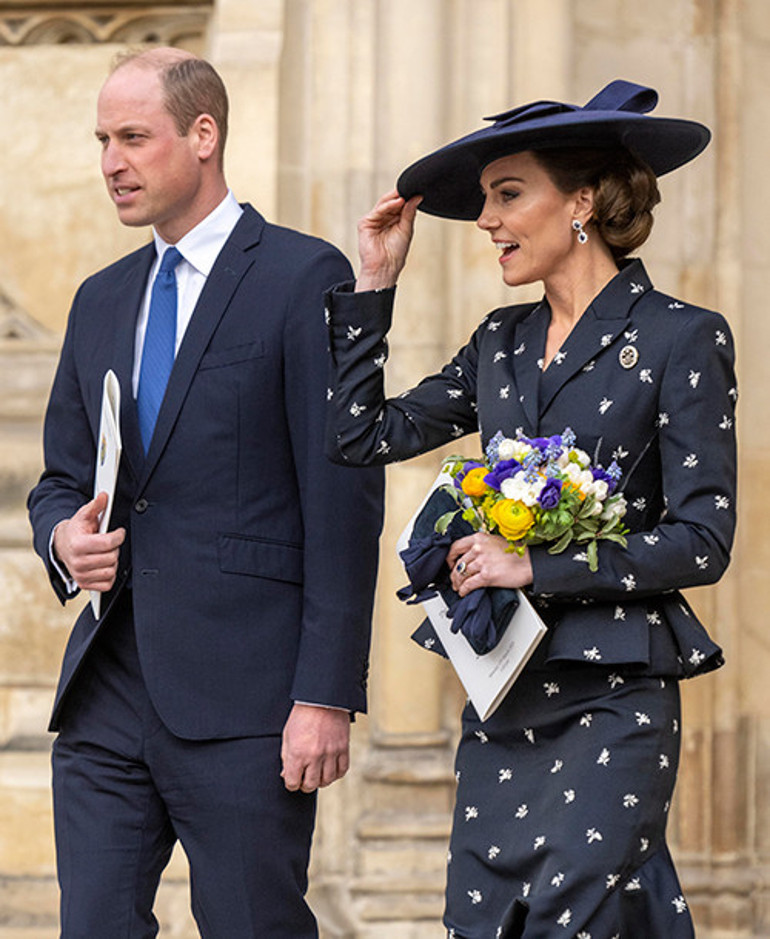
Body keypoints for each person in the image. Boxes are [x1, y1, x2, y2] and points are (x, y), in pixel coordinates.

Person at [324, 80, 736, 937]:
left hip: (616, 694)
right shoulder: (498, 342)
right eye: (484, 200)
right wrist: (375, 284)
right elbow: (362, 435)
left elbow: (703, 541)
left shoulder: (681, 335)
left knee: (572, 916)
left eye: (508, 194)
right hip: (506, 696)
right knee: (490, 922)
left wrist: (534, 564)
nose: (486, 220)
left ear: (582, 200)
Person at [27, 47, 383, 938]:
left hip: (249, 699)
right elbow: (59, 481)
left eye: (134, 137)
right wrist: (63, 541)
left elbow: (344, 501)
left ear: (204, 134)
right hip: (107, 688)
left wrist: (326, 693)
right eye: (103, 139)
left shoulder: (304, 277)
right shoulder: (99, 299)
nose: (111, 160)